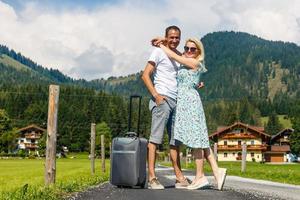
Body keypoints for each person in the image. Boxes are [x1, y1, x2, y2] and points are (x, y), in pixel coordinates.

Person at [152, 37, 227, 190]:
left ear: (198, 51)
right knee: (199, 137)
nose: (188, 51)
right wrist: (165, 40)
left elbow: (174, 55)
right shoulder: (187, 58)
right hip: (185, 102)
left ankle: (199, 177)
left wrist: (161, 45)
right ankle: (217, 171)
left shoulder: (195, 62)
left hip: (190, 103)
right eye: (187, 48)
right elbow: (178, 53)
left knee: (195, 140)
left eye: (193, 49)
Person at [141, 26, 190, 190]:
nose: (175, 40)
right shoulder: (158, 52)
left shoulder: (178, 56)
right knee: (155, 139)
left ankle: (179, 178)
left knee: (175, 141)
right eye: (171, 37)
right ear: (166, 37)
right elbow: (145, 74)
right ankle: (152, 178)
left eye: (177, 37)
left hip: (177, 102)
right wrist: (156, 95)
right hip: (162, 100)